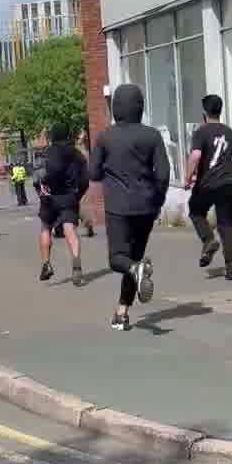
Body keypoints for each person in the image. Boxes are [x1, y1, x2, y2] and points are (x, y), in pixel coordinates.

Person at [89, 84, 170, 331]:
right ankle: (122, 312)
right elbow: (164, 173)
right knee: (134, 259)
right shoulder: (152, 135)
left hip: (118, 207)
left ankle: (136, 270)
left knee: (118, 260)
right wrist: (157, 200)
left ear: (116, 108)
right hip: (146, 206)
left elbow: (92, 172)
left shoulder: (105, 137)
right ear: (140, 107)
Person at [185, 93, 232, 282]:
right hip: (227, 184)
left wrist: (187, 178)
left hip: (206, 184)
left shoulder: (201, 132)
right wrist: (229, 167)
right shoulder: (230, 133)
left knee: (195, 211)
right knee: (225, 224)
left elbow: (195, 156)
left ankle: (208, 240)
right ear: (220, 111)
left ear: (204, 113)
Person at [37, 125, 86, 287]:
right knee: (69, 229)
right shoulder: (77, 154)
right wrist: (77, 195)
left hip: (51, 197)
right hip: (69, 196)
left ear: (53, 137)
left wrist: (44, 182)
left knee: (46, 228)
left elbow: (47, 173)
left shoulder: (50, 152)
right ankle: (76, 265)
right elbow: (85, 178)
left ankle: (46, 264)